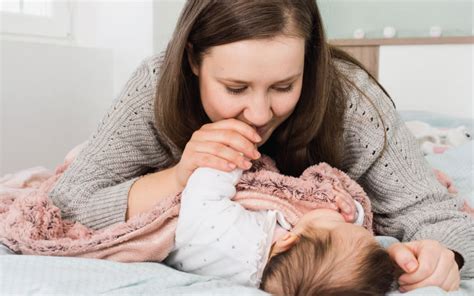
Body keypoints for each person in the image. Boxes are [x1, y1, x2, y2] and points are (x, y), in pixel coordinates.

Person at [48, 0, 472, 292]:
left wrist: (445, 255)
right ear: (193, 61)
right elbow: (65, 204)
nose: (258, 113)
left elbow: (433, 213)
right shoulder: (155, 87)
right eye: (235, 88)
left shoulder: (353, 104)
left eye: (284, 86)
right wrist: (179, 176)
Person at [164, 166, 397, 295]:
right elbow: (349, 244)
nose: (343, 219)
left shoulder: (235, 237)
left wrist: (232, 158)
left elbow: (201, 195)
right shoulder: (278, 271)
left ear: (289, 241)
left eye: (340, 224)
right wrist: (355, 213)